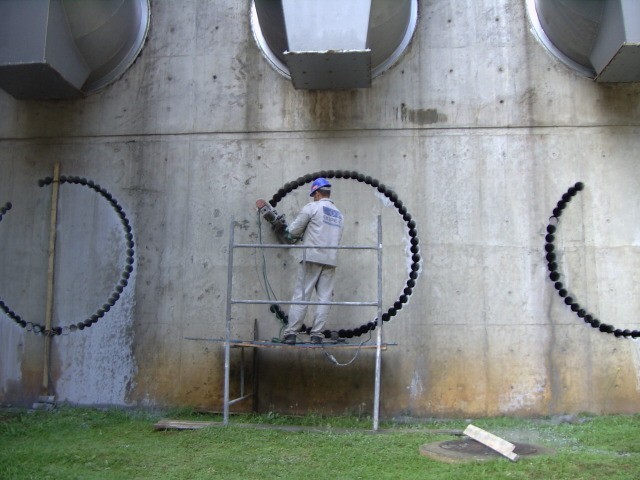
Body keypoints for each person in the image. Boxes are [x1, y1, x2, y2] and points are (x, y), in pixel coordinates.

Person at [282, 178, 344, 345]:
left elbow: (293, 231)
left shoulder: (312, 207)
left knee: (302, 295)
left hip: (312, 257)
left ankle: (291, 333)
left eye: (313, 195)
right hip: (330, 259)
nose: (313, 197)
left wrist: (290, 233)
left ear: (317, 193)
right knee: (324, 298)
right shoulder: (339, 214)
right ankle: (317, 334)